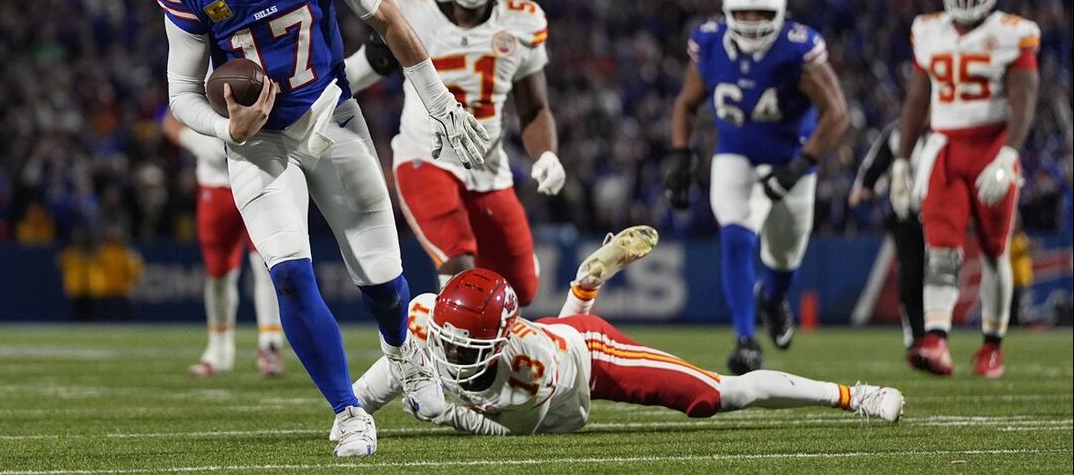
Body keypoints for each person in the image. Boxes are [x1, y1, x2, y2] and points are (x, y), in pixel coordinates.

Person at [156, 0, 489, 457]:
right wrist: (227, 130)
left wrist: (441, 102)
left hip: (329, 115)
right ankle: (348, 411)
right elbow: (180, 91)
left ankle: (403, 356)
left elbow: (384, 14)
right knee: (288, 274)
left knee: (383, 278)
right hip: (259, 144)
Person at [352, 266, 903, 436]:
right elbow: (400, 363)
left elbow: (545, 427)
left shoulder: (529, 366)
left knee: (717, 395)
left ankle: (856, 395)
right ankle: (582, 289)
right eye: (449, 340)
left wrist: (448, 411)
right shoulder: (429, 318)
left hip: (589, 356)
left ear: (499, 341)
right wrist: (350, 407)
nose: (450, 351)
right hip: (557, 349)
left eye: (466, 344)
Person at [344, 0, 564, 305]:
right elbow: (355, 73)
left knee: (523, 290)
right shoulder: (408, 11)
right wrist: (306, 95)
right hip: (425, 159)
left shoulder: (523, 19)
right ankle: (450, 356)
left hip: (488, 169)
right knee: (457, 260)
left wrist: (546, 154)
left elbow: (534, 107)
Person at [664, 0, 848, 374]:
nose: (752, 23)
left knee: (784, 258)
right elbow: (686, 103)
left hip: (790, 159)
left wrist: (802, 165)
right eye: (743, 14)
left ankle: (772, 298)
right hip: (736, 154)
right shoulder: (710, 42)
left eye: (761, 14)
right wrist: (680, 153)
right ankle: (745, 339)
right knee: (735, 233)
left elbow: (838, 113)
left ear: (779, 14)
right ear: (729, 13)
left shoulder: (796, 48)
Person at [891, 0, 1040, 378]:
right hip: (946, 149)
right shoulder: (929, 29)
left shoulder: (1013, 32)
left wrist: (1009, 155)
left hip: (993, 146)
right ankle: (936, 340)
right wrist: (902, 160)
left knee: (995, 251)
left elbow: (1024, 100)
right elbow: (917, 99)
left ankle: (992, 346)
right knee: (941, 247)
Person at [161, 110, 285, 377]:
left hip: (261, 177)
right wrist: (199, 142)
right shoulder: (199, 69)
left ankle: (270, 345)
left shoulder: (264, 68)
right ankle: (218, 350)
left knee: (267, 265)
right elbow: (169, 118)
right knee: (218, 273)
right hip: (216, 185)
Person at [848, 119, 929, 366]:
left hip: (941, 214)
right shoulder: (896, 132)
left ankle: (936, 334)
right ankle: (916, 335)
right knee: (911, 274)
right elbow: (876, 161)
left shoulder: (948, 127)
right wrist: (864, 186)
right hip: (906, 214)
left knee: (937, 274)